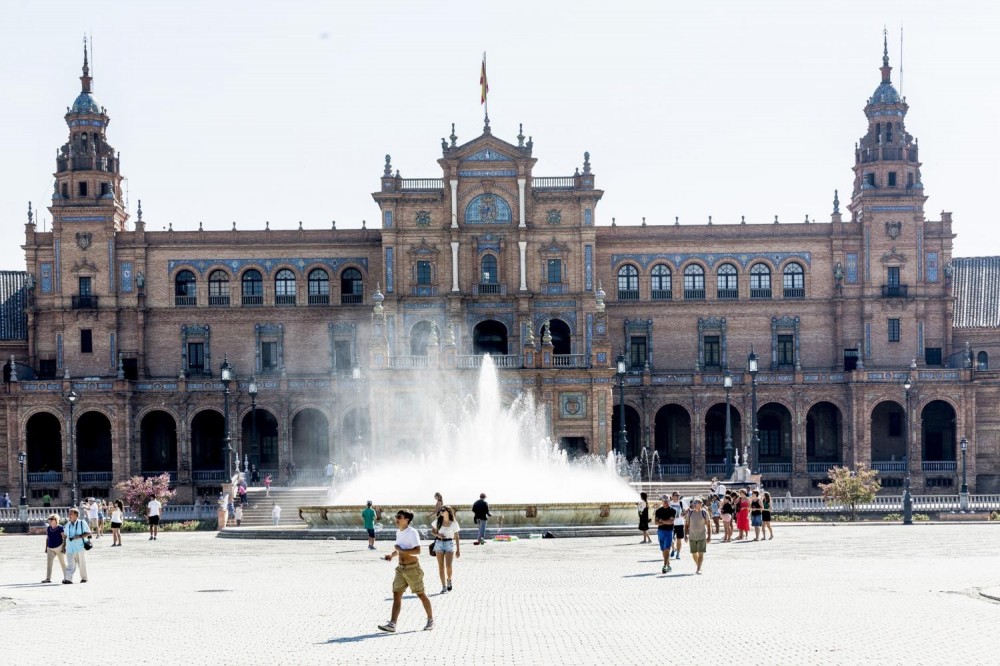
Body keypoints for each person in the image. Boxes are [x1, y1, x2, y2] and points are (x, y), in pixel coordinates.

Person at [378, 509, 434, 632]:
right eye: (396, 516)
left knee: (421, 594)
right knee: (396, 594)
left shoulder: (412, 533)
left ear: (407, 519)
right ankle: (392, 624)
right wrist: (391, 555)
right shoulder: (399, 532)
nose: (396, 519)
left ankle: (430, 620)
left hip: (412, 568)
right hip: (400, 569)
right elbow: (399, 548)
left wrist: (401, 550)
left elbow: (417, 551)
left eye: (399, 517)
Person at [431, 506, 461, 594]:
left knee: (448, 566)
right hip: (439, 543)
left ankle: (449, 580)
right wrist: (438, 535)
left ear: (448, 512)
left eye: (443, 510)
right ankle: (443, 587)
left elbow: (456, 536)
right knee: (441, 566)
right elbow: (432, 531)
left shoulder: (454, 523)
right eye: (441, 510)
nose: (441, 511)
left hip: (449, 544)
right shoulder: (438, 521)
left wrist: (458, 549)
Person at [684, 497, 712, 574]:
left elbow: (709, 525)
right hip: (692, 536)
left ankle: (698, 568)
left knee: (701, 552)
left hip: (702, 536)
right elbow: (686, 525)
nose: (697, 504)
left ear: (701, 504)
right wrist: (685, 535)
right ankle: (698, 565)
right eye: (696, 503)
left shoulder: (704, 513)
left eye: (699, 503)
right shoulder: (690, 513)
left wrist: (709, 536)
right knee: (693, 553)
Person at [63, 507, 90, 584]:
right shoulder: (67, 524)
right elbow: (65, 536)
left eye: (70, 514)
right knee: (70, 564)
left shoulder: (82, 523)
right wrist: (63, 546)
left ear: (76, 515)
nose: (69, 515)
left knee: (82, 564)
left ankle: (84, 578)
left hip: (79, 547)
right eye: (69, 514)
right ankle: (68, 579)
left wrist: (79, 536)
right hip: (69, 548)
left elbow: (88, 533)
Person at [653, 495, 676, 574]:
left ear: (669, 501)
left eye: (667, 501)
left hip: (669, 531)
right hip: (660, 531)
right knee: (663, 549)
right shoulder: (658, 511)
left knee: (667, 549)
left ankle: (664, 566)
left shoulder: (672, 510)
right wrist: (665, 522)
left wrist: (661, 521)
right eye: (664, 501)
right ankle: (668, 564)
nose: (666, 503)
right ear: (662, 502)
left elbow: (671, 522)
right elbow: (656, 522)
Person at [42, 513, 67, 583]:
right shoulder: (48, 528)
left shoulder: (60, 528)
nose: (49, 520)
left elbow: (64, 538)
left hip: (59, 547)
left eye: (51, 519)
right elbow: (47, 538)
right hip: (50, 547)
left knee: (62, 563)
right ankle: (48, 578)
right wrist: (46, 548)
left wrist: (64, 547)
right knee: (49, 563)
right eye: (49, 519)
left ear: (56, 520)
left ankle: (66, 577)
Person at [669, 492, 686, 560]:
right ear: (672, 496)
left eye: (679, 495)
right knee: (670, 539)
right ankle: (674, 548)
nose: (678, 496)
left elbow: (688, 510)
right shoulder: (669, 503)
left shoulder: (681, 503)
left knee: (679, 539)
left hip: (680, 523)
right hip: (671, 524)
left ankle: (678, 553)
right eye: (676, 495)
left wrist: (684, 513)